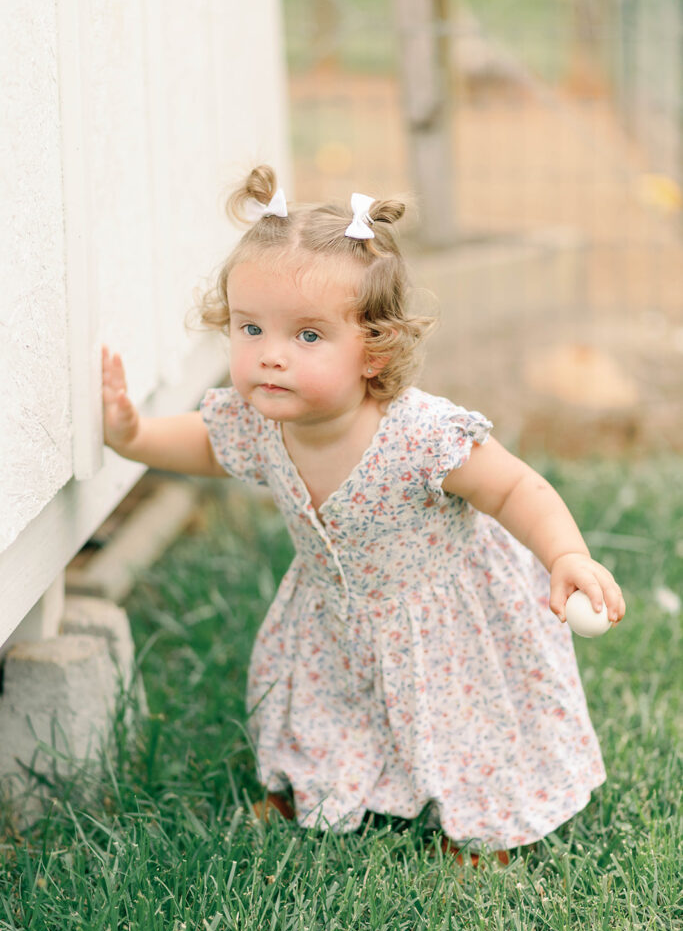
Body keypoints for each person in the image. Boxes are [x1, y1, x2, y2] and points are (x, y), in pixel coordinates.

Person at [102, 165, 625, 864]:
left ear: (373, 352)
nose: (271, 357)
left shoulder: (419, 436)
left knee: (465, 723)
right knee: (326, 705)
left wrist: (564, 555)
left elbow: (513, 490)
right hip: (335, 612)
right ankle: (317, 784)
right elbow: (205, 440)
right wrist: (133, 437)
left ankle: (484, 821)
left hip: (444, 615)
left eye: (307, 337)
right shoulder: (263, 423)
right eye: (250, 328)